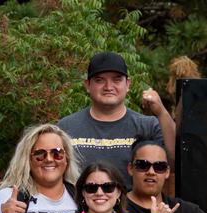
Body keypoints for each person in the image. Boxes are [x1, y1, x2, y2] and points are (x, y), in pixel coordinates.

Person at [58, 51, 175, 183]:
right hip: (79, 203)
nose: (108, 87)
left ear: (128, 84)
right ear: (87, 85)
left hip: (134, 204)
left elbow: (175, 162)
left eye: (117, 79)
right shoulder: (66, 127)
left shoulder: (148, 126)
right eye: (99, 80)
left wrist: (162, 112)